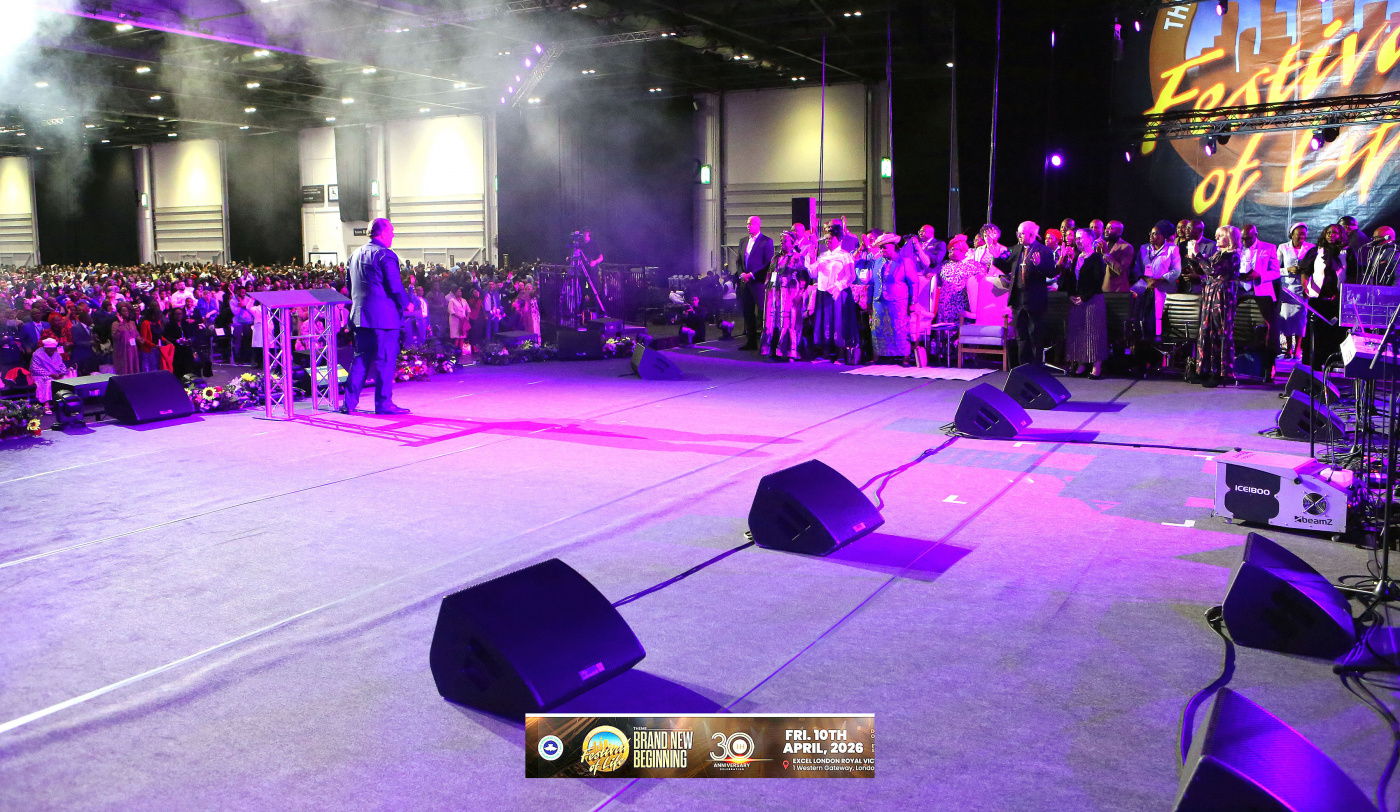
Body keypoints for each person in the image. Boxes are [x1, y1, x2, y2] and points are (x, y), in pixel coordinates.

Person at [342, 217, 410, 415]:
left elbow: (349, 286)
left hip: (360, 317)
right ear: (383, 233)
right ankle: (383, 403)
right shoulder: (386, 255)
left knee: (360, 361)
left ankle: (349, 403)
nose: (393, 236)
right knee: (385, 362)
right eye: (391, 232)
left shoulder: (354, 255)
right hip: (384, 319)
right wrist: (406, 303)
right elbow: (394, 285)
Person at [1187, 225, 1242, 387]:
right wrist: (1192, 258)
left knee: (1219, 331)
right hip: (1210, 294)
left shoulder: (1232, 256)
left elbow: (1213, 269)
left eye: (1221, 236)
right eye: (1216, 235)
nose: (1217, 238)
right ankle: (1204, 369)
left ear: (1230, 239)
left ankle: (1220, 372)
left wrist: (1198, 255)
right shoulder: (1218, 254)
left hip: (1222, 296)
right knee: (1206, 330)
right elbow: (1202, 270)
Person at [994, 221, 1054, 366]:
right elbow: (1006, 267)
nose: (1019, 236)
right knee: (1021, 336)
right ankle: (1023, 367)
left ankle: (1036, 368)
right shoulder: (1016, 249)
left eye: (1022, 234)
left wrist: (1039, 265)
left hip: (1035, 300)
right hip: (1018, 299)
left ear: (1031, 235)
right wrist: (996, 257)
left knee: (1035, 335)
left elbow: (1051, 272)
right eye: (1018, 233)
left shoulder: (1044, 250)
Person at [1300, 223, 1357, 368]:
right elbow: (1305, 271)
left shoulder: (1347, 252)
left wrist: (1342, 293)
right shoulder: (1316, 251)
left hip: (1337, 300)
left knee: (1334, 332)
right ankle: (1313, 363)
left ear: (1341, 234)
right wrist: (1305, 287)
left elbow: (1352, 275)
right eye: (1328, 232)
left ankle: (1332, 362)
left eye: (1335, 233)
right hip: (1317, 299)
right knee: (1316, 331)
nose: (1331, 235)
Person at [1060, 229, 1108, 379]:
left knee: (1094, 333)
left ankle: (1096, 367)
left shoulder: (1096, 258)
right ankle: (1080, 365)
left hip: (1093, 300)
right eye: (1076, 238)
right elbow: (1069, 279)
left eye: (1081, 238)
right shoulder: (1076, 258)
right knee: (1079, 332)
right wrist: (1070, 295)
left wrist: (1085, 297)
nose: (1077, 240)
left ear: (1090, 239)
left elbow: (1097, 280)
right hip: (1077, 300)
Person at [810, 224, 859, 364]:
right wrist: (812, 258)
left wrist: (838, 286)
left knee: (839, 322)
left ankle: (841, 354)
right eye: (826, 239)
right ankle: (825, 353)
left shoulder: (845, 255)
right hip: (823, 293)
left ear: (838, 239)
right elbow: (813, 274)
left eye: (830, 239)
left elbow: (851, 276)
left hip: (839, 294)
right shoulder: (823, 256)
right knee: (824, 321)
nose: (828, 241)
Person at [1237, 224, 1280, 377]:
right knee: (1239, 327)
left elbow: (1276, 272)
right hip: (1240, 291)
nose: (1245, 242)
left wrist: (1260, 275)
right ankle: (1240, 363)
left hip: (1262, 292)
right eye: (1242, 239)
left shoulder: (1268, 248)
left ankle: (1268, 366)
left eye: (1248, 238)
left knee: (1268, 329)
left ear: (1255, 235)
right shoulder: (1236, 247)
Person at [761, 230, 810, 361]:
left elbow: (803, 277)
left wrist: (800, 293)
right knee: (773, 321)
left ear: (792, 243)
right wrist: (767, 284)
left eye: (785, 241)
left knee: (789, 321)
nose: (782, 243)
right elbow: (769, 273)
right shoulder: (775, 258)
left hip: (790, 294)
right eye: (781, 240)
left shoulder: (797, 257)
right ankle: (773, 349)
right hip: (774, 294)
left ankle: (789, 352)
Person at [869, 234, 915, 364]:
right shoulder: (877, 262)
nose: (882, 250)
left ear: (893, 247)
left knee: (899, 328)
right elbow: (872, 283)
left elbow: (913, 283)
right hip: (879, 300)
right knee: (877, 328)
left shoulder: (905, 261)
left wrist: (913, 302)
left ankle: (905, 356)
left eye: (885, 248)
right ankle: (878, 354)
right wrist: (868, 302)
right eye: (881, 248)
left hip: (898, 300)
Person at [1136, 220, 1182, 341]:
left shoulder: (1172, 249)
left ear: (1164, 236)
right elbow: (1137, 267)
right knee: (1141, 318)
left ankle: (1158, 346)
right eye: (1151, 233)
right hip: (1144, 287)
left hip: (1162, 289)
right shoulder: (1144, 248)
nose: (1152, 236)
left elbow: (1176, 271)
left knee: (1159, 321)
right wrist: (1147, 280)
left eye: (1156, 234)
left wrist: (1159, 280)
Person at [736, 216, 775, 350]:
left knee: (763, 311)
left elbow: (768, 263)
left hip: (758, 282)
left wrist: (752, 274)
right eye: (747, 224)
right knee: (748, 312)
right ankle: (751, 341)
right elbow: (738, 261)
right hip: (745, 282)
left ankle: (768, 341)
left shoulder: (766, 241)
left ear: (758, 225)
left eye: (751, 224)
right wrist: (742, 273)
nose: (748, 226)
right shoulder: (743, 241)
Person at [1276, 222, 1312, 359]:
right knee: (1286, 317)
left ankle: (1298, 348)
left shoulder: (1311, 248)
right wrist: (1287, 270)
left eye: (1304, 234)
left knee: (1300, 318)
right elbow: (1274, 268)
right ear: (1292, 234)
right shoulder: (1283, 247)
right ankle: (1288, 348)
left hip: (1303, 287)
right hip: (1287, 288)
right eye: (1299, 234)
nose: (1302, 236)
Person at [936, 235, 980, 326]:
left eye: (953, 249)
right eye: (949, 249)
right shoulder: (944, 265)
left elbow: (981, 283)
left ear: (962, 250)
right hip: (944, 305)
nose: (950, 251)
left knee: (960, 329)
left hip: (961, 305)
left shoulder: (973, 265)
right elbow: (938, 282)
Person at [30, 337, 67, 410]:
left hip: (56, 374)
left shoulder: (56, 354)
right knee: (48, 382)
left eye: (53, 349)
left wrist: (62, 373)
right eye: (49, 349)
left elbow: (62, 365)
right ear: (45, 348)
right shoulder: (37, 354)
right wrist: (50, 374)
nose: (51, 351)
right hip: (41, 375)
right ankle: (46, 405)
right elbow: (35, 368)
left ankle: (66, 403)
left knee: (67, 379)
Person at [1100, 221, 1134, 294]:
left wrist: (1106, 254)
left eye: (1110, 228)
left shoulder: (1126, 247)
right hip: (1101, 290)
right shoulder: (1104, 245)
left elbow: (1122, 271)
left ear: (1119, 232)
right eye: (1106, 228)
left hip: (1116, 291)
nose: (1106, 230)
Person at [112, 306, 141, 375]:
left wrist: (140, 339)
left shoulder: (132, 323)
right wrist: (121, 323)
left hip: (133, 350)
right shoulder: (115, 324)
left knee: (134, 369)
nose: (126, 313)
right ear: (119, 313)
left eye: (127, 311)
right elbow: (115, 336)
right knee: (124, 370)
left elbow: (136, 334)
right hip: (122, 351)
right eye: (124, 311)